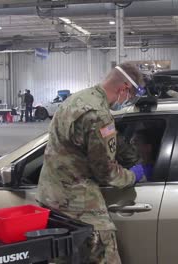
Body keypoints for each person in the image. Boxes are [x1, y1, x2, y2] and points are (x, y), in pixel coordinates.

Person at [36, 63, 148, 264]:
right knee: (105, 256)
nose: (128, 100)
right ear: (123, 89)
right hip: (78, 204)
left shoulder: (78, 99)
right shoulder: (99, 115)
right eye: (130, 95)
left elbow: (86, 142)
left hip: (50, 197)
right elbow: (105, 171)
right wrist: (135, 175)